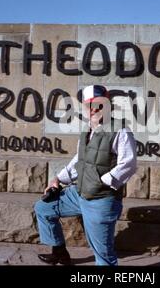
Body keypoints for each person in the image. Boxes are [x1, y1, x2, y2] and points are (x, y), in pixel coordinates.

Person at [34, 84, 137, 266]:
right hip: (79, 193)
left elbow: (128, 164)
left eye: (99, 104)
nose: (94, 109)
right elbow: (79, 161)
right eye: (89, 105)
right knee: (44, 208)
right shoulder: (86, 130)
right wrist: (58, 179)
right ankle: (59, 252)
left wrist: (101, 181)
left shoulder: (120, 130)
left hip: (101, 200)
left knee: (103, 256)